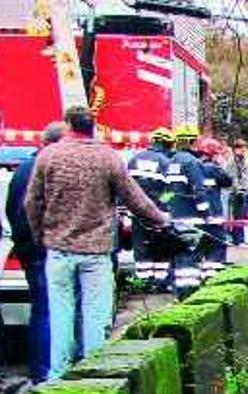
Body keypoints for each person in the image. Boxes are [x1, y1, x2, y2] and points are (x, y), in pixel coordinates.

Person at [25, 106, 168, 379]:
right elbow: (135, 199)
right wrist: (162, 218)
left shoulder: (49, 156)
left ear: (68, 126)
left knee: (61, 314)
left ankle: (58, 376)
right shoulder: (107, 157)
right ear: (92, 127)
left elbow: (32, 201)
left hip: (58, 249)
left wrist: (40, 235)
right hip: (97, 252)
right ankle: (94, 375)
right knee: (95, 314)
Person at [6, 121, 66, 382]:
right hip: (48, 247)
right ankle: (50, 372)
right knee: (53, 309)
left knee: (40, 310)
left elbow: (11, 210)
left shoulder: (21, 171)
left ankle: (39, 370)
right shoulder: (51, 169)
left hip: (27, 250)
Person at [167, 125, 211, 298]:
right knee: (190, 255)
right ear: (192, 141)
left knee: (178, 256)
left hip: (173, 217)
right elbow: (199, 190)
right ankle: (189, 294)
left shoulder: (171, 161)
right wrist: (206, 214)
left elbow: (167, 191)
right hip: (191, 218)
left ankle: (178, 291)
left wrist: (167, 207)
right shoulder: (192, 162)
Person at [127, 127, 173, 288]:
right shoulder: (166, 163)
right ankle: (159, 282)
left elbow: (127, 188)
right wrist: (163, 206)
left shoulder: (134, 160)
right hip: (158, 213)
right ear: (167, 144)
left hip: (137, 212)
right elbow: (171, 191)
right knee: (160, 246)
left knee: (141, 245)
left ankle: (142, 282)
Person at [196, 137, 233, 279]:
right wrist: (220, 164)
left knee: (197, 249)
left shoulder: (192, 167)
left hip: (196, 218)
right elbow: (228, 181)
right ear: (213, 154)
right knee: (217, 247)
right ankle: (212, 277)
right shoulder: (215, 169)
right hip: (214, 218)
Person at [227, 139, 248, 245]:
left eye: (244, 147)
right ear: (235, 149)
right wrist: (238, 190)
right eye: (240, 148)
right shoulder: (232, 162)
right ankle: (238, 239)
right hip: (238, 193)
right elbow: (232, 178)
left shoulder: (246, 160)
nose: (243, 150)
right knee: (238, 217)